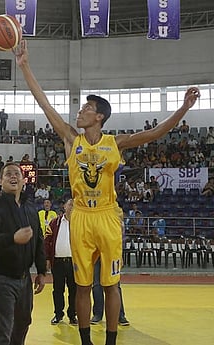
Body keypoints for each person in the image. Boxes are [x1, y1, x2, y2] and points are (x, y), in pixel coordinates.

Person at [16, 38, 199, 345]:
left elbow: (154, 133)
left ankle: (111, 341)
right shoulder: (71, 139)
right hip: (82, 218)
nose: (80, 111)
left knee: (111, 285)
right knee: (83, 286)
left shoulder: (115, 143)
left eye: (87, 108)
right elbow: (44, 104)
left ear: (99, 116)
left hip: (107, 216)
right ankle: (86, 341)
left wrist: (183, 108)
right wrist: (24, 66)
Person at [0, 162, 46, 345]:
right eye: (8, 174)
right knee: (2, 329)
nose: (13, 177)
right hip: (0, 277)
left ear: (24, 180)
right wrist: (13, 238)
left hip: (25, 278)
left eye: (17, 174)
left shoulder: (30, 208)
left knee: (23, 322)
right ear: (0, 180)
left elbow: (39, 240)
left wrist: (41, 271)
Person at [44, 198, 77, 326]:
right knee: (58, 290)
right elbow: (47, 241)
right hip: (57, 262)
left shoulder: (79, 223)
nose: (72, 207)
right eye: (70, 205)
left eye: (74, 205)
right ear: (64, 207)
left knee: (74, 290)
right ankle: (58, 314)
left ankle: (72, 315)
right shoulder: (54, 222)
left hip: (73, 263)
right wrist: (47, 258)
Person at [91, 259, 130, 326]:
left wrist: (120, 256)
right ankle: (97, 314)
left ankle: (120, 315)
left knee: (115, 286)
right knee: (97, 285)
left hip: (112, 255)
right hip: (96, 255)